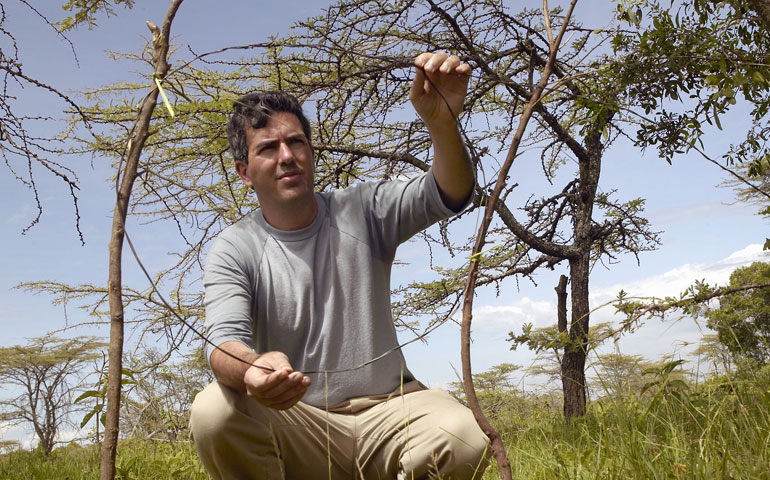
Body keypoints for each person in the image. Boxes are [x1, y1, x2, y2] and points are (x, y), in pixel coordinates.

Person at [190, 52, 489, 480]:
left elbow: (450, 191)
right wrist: (252, 370)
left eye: (296, 142)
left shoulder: (362, 208)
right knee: (214, 410)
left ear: (311, 152)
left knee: (462, 437)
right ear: (244, 172)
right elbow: (223, 344)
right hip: (300, 422)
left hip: (392, 410)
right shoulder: (234, 247)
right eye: (268, 148)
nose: (287, 156)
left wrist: (441, 123)